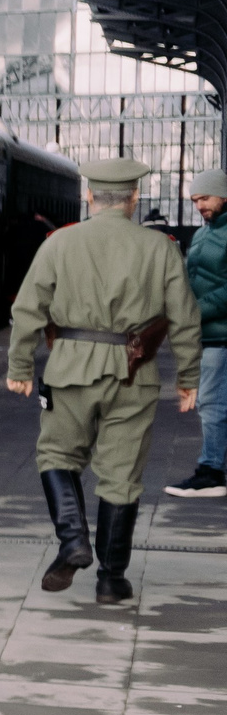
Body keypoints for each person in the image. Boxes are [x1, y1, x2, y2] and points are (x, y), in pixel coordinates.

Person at [8, 157, 201, 603]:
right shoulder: (160, 248)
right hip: (135, 373)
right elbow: (184, 318)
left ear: (89, 196)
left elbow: (27, 308)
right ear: (135, 198)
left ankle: (73, 541)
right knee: (121, 474)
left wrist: (20, 367)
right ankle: (111, 580)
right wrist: (188, 377)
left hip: (69, 368)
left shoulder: (59, 243)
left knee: (56, 454)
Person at [163, 167, 227, 499]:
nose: (199, 205)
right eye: (194, 200)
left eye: (205, 198)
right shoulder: (203, 233)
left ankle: (211, 472)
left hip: (220, 336)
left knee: (211, 403)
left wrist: (193, 311)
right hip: (208, 335)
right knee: (212, 403)